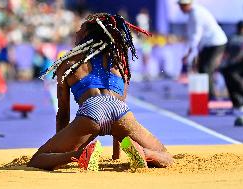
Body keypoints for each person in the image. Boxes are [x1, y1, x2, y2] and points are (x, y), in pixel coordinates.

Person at [27, 13, 173, 171]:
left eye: (81, 29)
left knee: (38, 159)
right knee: (166, 156)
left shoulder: (69, 63)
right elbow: (119, 106)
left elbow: (63, 113)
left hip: (91, 112)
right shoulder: (119, 62)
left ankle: (80, 155)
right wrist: (116, 156)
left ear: (88, 35)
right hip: (120, 111)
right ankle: (144, 153)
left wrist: (63, 150)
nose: (76, 32)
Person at [178, 0, 227, 99]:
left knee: (206, 68)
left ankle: (212, 96)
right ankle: (206, 95)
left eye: (181, 6)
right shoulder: (193, 13)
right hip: (208, 44)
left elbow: (196, 36)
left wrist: (189, 53)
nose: (180, 8)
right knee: (201, 68)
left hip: (216, 43)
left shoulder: (196, 14)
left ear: (187, 5)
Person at [220, 21, 243, 111]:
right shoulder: (232, 38)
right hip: (233, 65)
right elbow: (225, 52)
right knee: (227, 73)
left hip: (240, 64)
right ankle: (236, 101)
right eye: (240, 28)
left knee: (233, 75)